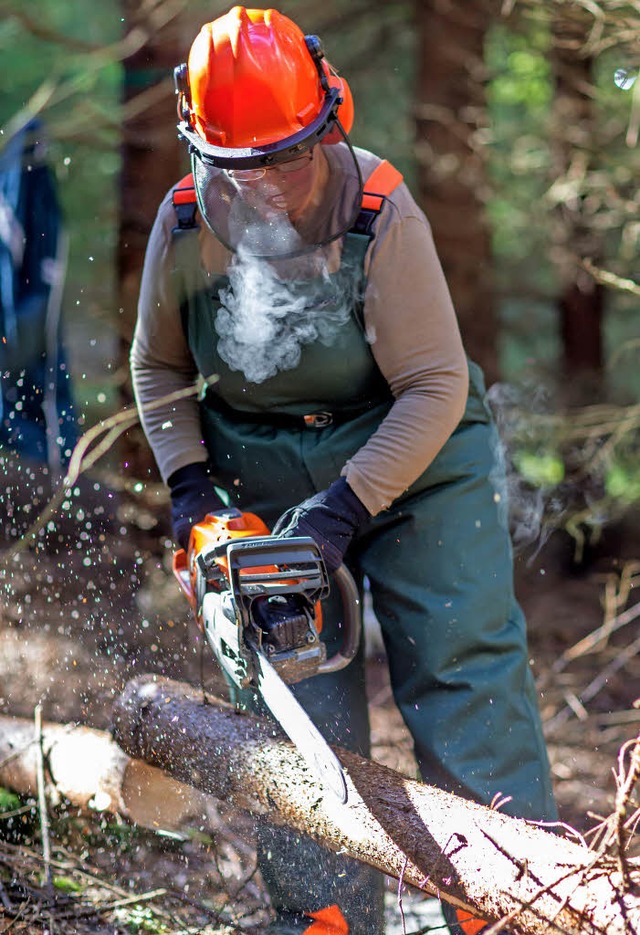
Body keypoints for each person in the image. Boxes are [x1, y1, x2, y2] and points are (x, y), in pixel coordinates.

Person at [131, 8, 558, 934]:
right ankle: (323, 912)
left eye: (287, 159)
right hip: (263, 466)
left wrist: (342, 511)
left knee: (460, 661)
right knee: (295, 699)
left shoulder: (377, 210)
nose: (273, 189)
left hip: (416, 452)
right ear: (206, 155)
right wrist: (194, 493)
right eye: (245, 171)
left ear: (328, 122)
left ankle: (513, 901)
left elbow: (437, 381)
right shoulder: (185, 223)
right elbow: (158, 370)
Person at [0, 117, 77, 478]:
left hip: (35, 313)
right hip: (29, 316)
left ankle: (55, 480)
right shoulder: (24, 179)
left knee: (41, 394)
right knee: (36, 395)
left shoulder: (29, 180)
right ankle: (47, 478)